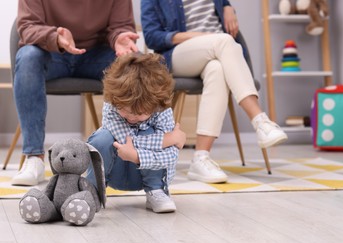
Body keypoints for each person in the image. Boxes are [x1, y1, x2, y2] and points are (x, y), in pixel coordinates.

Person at [141, 0, 288, 184]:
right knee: (225, 40)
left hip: (217, 53)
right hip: (178, 54)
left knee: (217, 69)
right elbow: (151, 36)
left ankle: (201, 158)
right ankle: (260, 121)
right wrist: (191, 36)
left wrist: (228, 7)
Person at [12, 0, 139, 186]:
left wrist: (120, 37)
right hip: (51, 53)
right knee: (27, 57)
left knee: (134, 63)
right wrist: (55, 37)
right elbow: (27, 27)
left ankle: (130, 157)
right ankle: (34, 158)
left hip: (96, 55)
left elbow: (121, 26)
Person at [86, 53, 186, 213]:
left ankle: (156, 191)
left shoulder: (162, 109)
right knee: (102, 138)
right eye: (125, 111)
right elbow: (122, 139)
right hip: (114, 171)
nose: (132, 117)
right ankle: (92, 191)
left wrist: (136, 156)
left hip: (145, 175)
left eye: (140, 113)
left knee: (148, 131)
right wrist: (169, 139)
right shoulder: (113, 102)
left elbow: (170, 157)